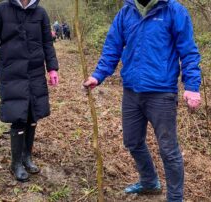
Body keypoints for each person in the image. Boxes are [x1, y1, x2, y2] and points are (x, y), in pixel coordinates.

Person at [84, 0, 201, 201]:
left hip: (162, 93)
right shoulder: (126, 12)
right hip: (131, 91)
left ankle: (175, 198)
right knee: (132, 141)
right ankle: (149, 182)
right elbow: (112, 46)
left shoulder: (174, 11)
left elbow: (188, 52)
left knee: (168, 150)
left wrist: (192, 86)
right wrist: (98, 75)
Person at [0, 0, 59, 182]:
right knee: (18, 115)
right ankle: (16, 163)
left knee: (33, 115)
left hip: (35, 72)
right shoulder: (2, 10)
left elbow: (47, 44)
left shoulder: (40, 13)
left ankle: (27, 157)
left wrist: (52, 68)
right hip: (12, 71)